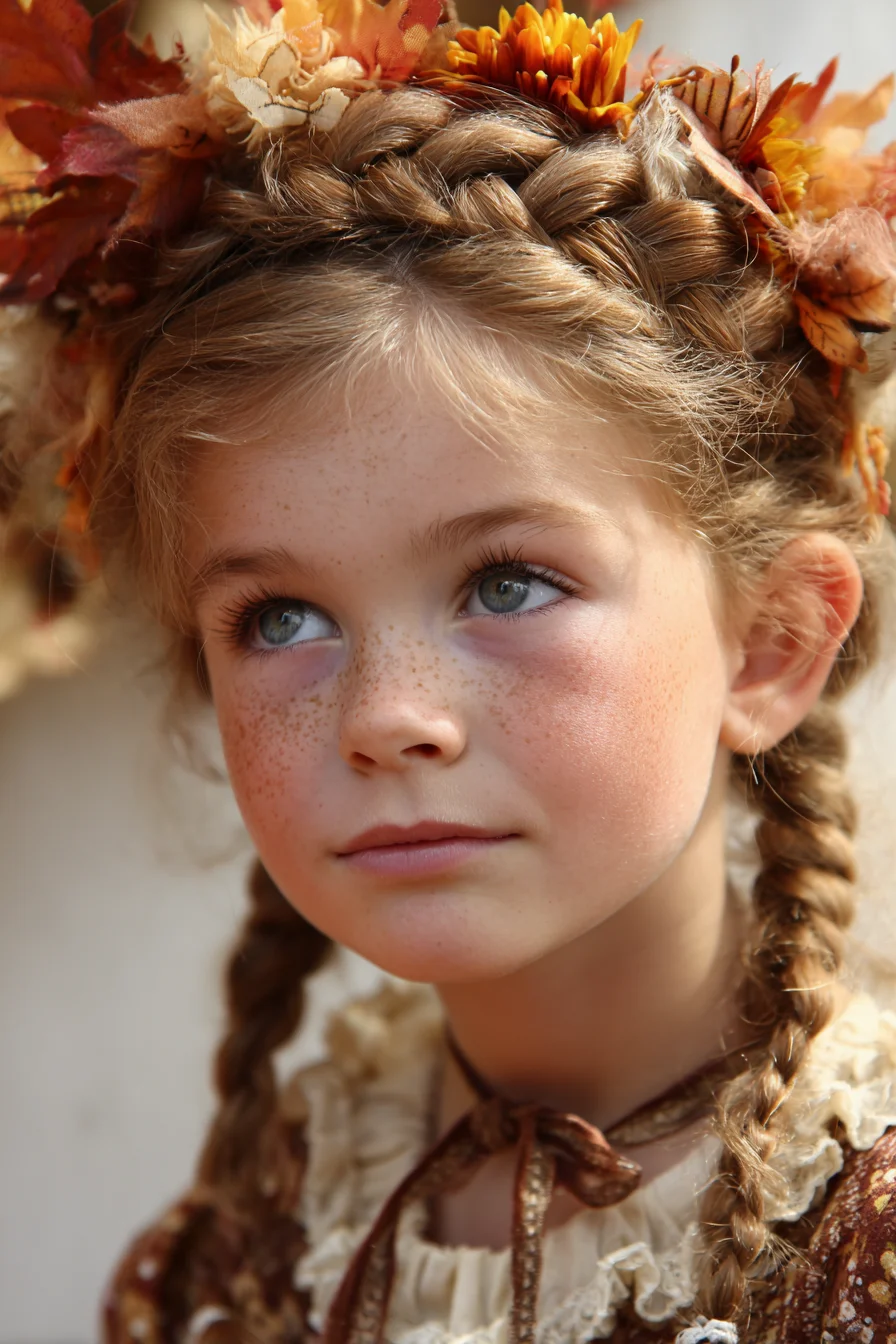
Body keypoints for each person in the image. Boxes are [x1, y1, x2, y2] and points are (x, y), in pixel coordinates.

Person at [3, 0, 896, 1339]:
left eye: (509, 584)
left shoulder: (860, 1240)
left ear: (769, 643)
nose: (387, 719)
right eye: (282, 618)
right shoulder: (235, 1265)